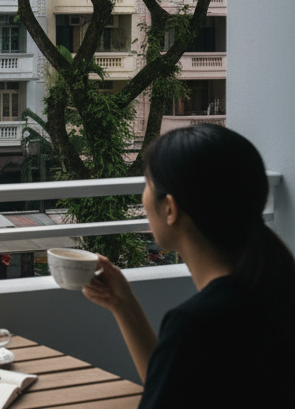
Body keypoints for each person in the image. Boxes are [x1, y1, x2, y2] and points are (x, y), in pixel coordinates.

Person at [82, 125, 295, 408]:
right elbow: (176, 388)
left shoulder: (198, 323)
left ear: (170, 208)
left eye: (147, 184)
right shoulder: (273, 288)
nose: (142, 198)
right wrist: (123, 304)